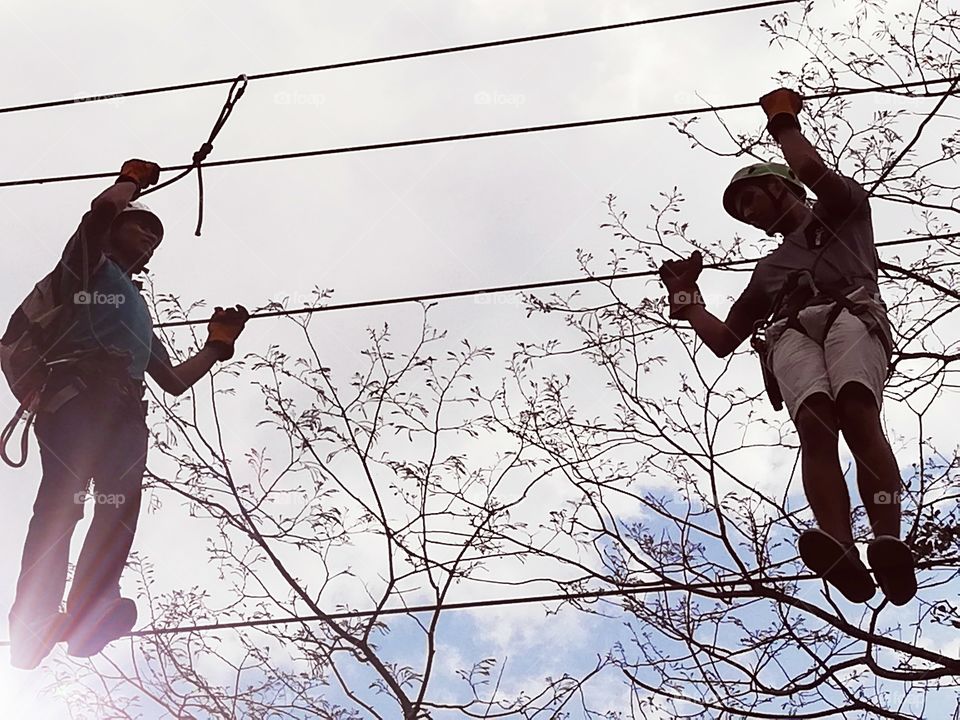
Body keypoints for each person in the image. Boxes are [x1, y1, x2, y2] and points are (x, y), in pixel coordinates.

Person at [658, 89, 916, 606]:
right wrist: (685, 298)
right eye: (738, 211)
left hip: (851, 312)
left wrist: (782, 121)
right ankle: (841, 548)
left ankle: (886, 536)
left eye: (750, 199)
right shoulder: (768, 272)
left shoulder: (841, 212)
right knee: (816, 427)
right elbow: (724, 340)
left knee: (857, 412)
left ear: (780, 187)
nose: (747, 214)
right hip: (790, 332)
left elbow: (816, 171)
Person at [5, 159, 250, 669]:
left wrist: (216, 346)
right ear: (116, 231)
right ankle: (33, 621)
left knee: (119, 507)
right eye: (142, 227)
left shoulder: (133, 306)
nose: (150, 241)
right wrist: (130, 181)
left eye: (156, 240)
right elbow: (98, 213)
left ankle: (91, 609)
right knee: (62, 503)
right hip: (75, 399)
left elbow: (174, 381)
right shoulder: (87, 268)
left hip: (123, 412)